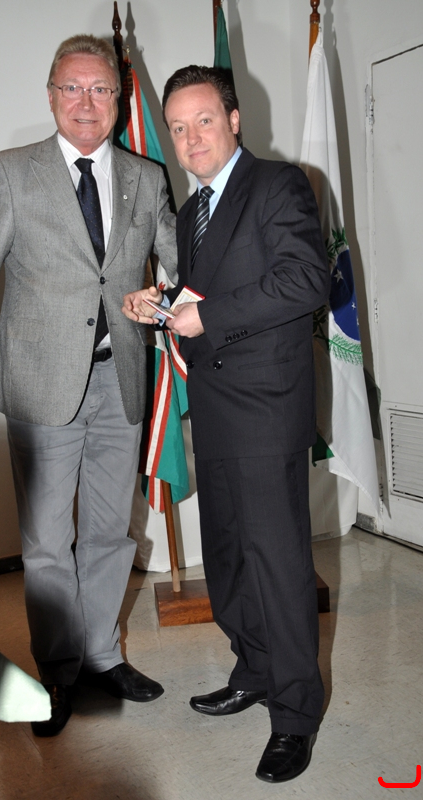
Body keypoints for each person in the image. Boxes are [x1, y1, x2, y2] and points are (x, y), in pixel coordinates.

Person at [0, 34, 177, 737]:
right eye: (72, 88)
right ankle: (59, 671)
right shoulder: (12, 173)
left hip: (120, 380)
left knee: (108, 531)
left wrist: (172, 301)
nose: (86, 102)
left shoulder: (146, 177)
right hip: (40, 385)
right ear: (51, 97)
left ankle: (102, 655)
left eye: (100, 89)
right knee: (47, 541)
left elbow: (178, 264)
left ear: (118, 100)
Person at [122, 65, 330, 783]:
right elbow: (208, 292)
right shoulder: (193, 213)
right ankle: (255, 669)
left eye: (203, 120)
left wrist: (205, 314)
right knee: (230, 558)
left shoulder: (278, 185)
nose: (190, 139)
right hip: (213, 409)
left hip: (267, 411)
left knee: (278, 565)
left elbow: (305, 280)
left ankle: (296, 714)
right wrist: (162, 301)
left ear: (234, 120)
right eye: (177, 127)